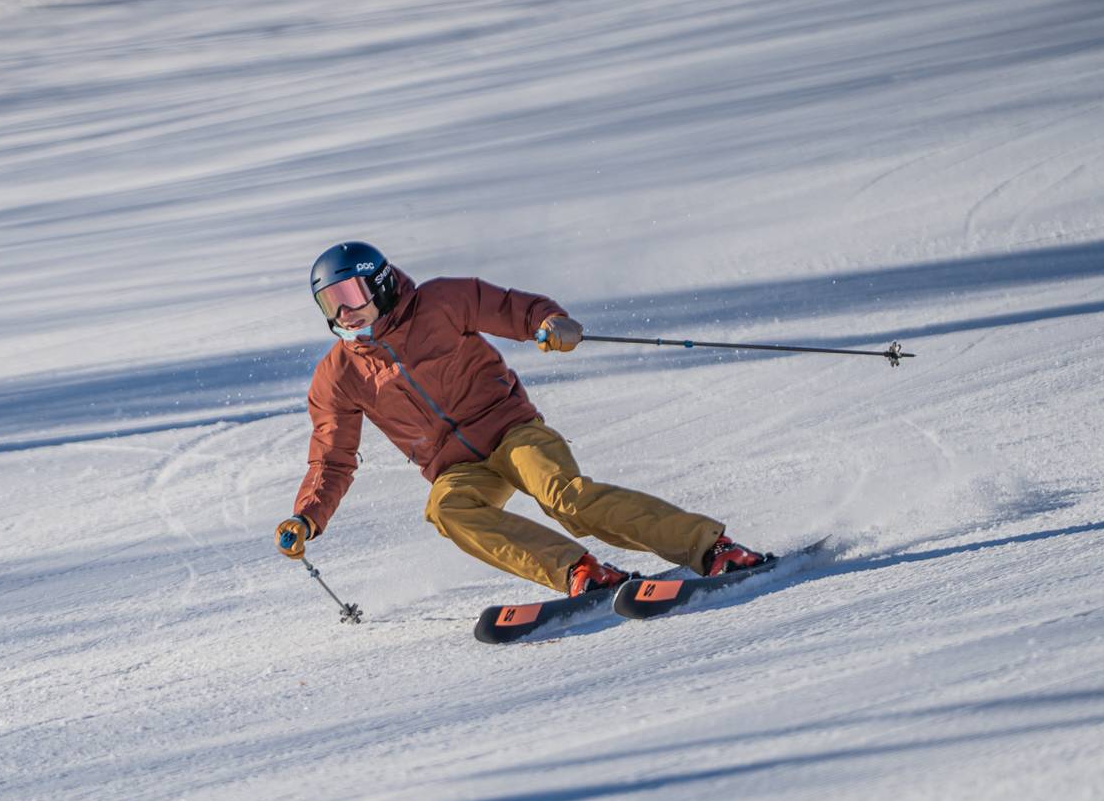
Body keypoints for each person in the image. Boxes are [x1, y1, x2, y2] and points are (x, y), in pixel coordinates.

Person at [274, 241, 766, 597]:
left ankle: (710, 547)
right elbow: (331, 460)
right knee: (446, 509)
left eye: (352, 295)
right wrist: (306, 517)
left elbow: (513, 308)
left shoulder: (442, 302)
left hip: (511, 430)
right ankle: (579, 572)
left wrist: (548, 324)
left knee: (564, 498)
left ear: (379, 286)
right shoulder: (338, 375)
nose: (345, 312)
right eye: (331, 303)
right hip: (455, 467)